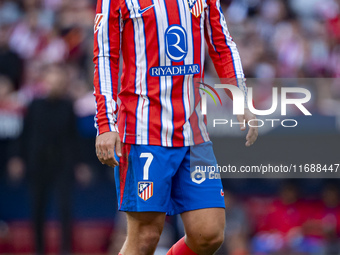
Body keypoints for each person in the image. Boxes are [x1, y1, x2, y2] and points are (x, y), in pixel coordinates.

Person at [93, 0, 258, 254]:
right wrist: (106, 123)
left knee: (209, 234)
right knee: (146, 236)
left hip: (194, 132)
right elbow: (105, 57)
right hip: (143, 130)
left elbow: (221, 43)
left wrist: (240, 98)